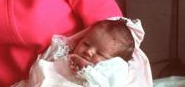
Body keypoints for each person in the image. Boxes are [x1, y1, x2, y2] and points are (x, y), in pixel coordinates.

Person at [13, 18, 145, 87]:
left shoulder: (116, 70)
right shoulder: (67, 53)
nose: (89, 51)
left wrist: (87, 70)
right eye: (86, 43)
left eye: (100, 53)